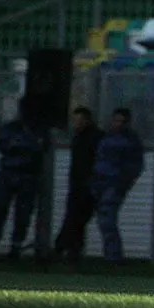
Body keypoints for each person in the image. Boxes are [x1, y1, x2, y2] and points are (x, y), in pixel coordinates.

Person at [0, 97, 50, 261]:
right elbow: (4, 146)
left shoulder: (39, 129)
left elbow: (40, 148)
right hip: (10, 173)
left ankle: (15, 245)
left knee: (23, 212)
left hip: (27, 175)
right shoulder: (12, 128)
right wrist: (27, 145)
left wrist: (18, 145)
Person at [91, 108, 145, 263]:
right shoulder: (108, 138)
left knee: (106, 219)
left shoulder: (128, 141)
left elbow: (134, 166)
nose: (118, 124)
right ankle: (112, 255)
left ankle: (113, 256)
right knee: (105, 219)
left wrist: (122, 182)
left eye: (121, 121)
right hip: (101, 182)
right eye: (116, 120)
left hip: (113, 183)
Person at [54, 107, 104, 263]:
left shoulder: (95, 138)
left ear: (87, 121)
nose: (76, 124)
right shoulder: (80, 137)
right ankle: (72, 251)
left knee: (75, 218)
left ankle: (62, 248)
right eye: (75, 120)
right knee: (76, 219)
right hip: (78, 184)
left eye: (79, 121)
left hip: (87, 185)